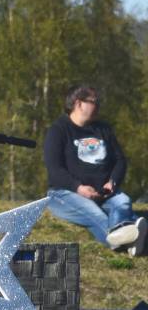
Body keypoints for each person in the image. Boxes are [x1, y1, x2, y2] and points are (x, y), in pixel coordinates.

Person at [44, 85, 146, 254]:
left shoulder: (103, 129)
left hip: (104, 193)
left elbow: (120, 160)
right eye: (94, 102)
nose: (98, 106)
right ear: (78, 103)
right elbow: (55, 170)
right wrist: (79, 188)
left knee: (123, 202)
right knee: (95, 215)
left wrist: (113, 181)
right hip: (65, 194)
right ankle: (127, 238)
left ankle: (127, 238)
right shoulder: (58, 130)